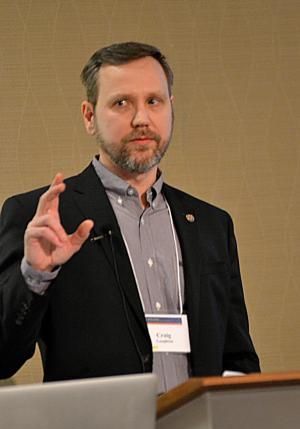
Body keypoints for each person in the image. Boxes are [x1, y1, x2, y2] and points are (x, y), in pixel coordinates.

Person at [0, 42, 260, 392]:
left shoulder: (212, 225)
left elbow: (239, 360)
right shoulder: (46, 219)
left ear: (171, 109)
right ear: (89, 116)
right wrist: (35, 276)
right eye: (121, 103)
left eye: (154, 101)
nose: (141, 118)